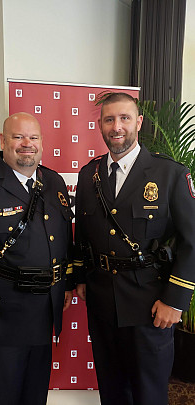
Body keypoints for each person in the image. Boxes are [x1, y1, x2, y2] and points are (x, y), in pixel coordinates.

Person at [74, 92, 195, 405]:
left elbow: (192, 241)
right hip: (102, 306)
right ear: (100, 125)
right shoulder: (90, 175)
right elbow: (84, 236)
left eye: (124, 118)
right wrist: (83, 278)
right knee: (112, 393)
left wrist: (175, 300)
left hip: (151, 307)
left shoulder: (169, 174)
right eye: (109, 119)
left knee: (149, 395)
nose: (117, 126)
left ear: (138, 122)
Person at [0, 112, 74, 405]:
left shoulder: (53, 181)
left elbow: (63, 241)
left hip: (42, 316)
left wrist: (66, 284)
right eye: (18, 137)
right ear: (3, 141)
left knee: (34, 398)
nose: (27, 144)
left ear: (42, 143)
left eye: (33, 137)